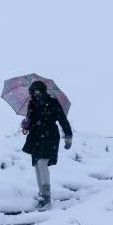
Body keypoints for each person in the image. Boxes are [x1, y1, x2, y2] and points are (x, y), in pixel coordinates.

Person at [21, 80, 72, 210]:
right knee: (37, 166)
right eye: (32, 92)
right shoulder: (32, 104)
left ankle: (47, 197)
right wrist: (26, 124)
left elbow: (62, 119)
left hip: (49, 135)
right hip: (36, 136)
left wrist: (68, 136)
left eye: (36, 91)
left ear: (42, 91)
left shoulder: (53, 102)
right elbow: (29, 122)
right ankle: (41, 195)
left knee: (43, 163)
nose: (34, 94)